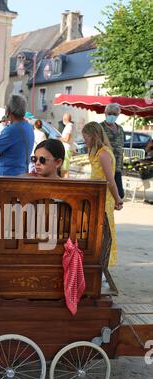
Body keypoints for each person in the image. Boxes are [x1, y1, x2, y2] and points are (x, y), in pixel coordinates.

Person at [82, 122, 123, 267]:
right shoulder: (96, 152)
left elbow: (110, 181)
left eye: (86, 137)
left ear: (93, 136)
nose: (84, 140)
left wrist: (118, 198)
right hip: (97, 196)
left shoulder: (104, 153)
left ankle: (104, 264)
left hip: (104, 197)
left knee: (104, 232)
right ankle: (98, 263)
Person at [0, 138, 65, 188]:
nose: (37, 163)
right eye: (34, 159)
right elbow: (5, 183)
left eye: (42, 160)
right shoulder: (28, 178)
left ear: (58, 162)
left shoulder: (68, 187)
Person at [0, 95, 34, 176]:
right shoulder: (28, 126)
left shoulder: (12, 130)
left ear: (8, 110)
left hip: (9, 176)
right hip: (22, 172)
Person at [101, 103, 125, 199]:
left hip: (117, 167)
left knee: (119, 194)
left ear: (118, 115)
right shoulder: (100, 127)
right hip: (105, 167)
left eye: (115, 114)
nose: (112, 116)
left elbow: (121, 148)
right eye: (110, 113)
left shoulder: (120, 129)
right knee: (106, 194)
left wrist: (121, 165)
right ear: (105, 113)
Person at [59, 113, 75, 178]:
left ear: (65, 119)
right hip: (67, 148)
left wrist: (59, 139)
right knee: (65, 169)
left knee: (64, 169)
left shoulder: (69, 126)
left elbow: (67, 139)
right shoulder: (70, 126)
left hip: (66, 149)